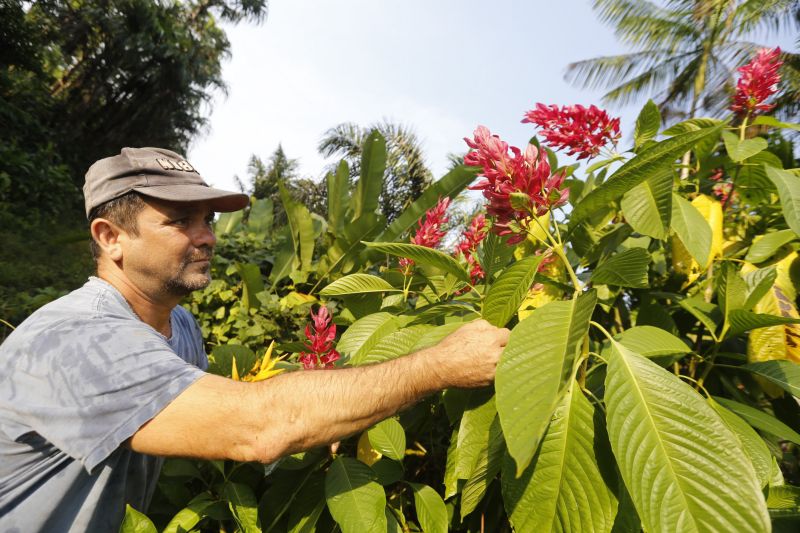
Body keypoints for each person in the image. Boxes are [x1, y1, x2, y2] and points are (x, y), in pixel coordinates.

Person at [0, 147, 510, 531]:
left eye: (207, 220)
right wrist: (439, 365)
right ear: (110, 237)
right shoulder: (75, 340)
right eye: (179, 221)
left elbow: (203, 422)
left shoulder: (180, 327)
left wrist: (333, 414)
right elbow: (258, 426)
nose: (206, 237)